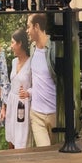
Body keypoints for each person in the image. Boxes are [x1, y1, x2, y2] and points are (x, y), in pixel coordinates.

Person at [25, 12, 57, 147]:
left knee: (58, 158)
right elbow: (37, 78)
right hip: (36, 114)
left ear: (36, 27)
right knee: (44, 154)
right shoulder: (32, 48)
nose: (27, 31)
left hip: (54, 113)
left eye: (29, 27)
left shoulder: (54, 47)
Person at [4, 28, 32, 149]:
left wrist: (28, 93)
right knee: (11, 137)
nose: (11, 46)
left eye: (12, 42)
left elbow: (36, 85)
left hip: (23, 105)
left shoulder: (31, 62)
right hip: (11, 102)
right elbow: (12, 83)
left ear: (20, 43)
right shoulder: (14, 62)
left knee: (21, 140)